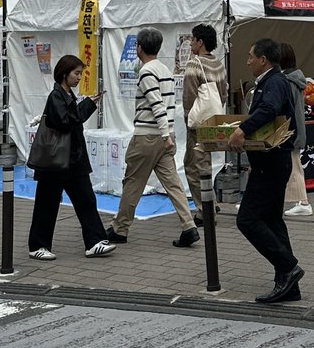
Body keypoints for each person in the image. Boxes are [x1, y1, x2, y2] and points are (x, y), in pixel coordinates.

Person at [105, 28, 199, 247]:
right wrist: (168, 136)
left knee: (133, 183)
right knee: (173, 184)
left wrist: (165, 134)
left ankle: (120, 228)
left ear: (140, 47)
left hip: (148, 136)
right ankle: (189, 226)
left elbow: (157, 105)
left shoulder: (146, 71)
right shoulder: (165, 69)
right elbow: (168, 104)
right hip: (165, 137)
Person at [227, 38, 303, 304]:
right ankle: (288, 283)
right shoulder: (271, 82)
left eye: (250, 56)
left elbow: (269, 110)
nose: (247, 61)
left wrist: (242, 130)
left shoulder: (274, 82)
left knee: (247, 220)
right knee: (272, 220)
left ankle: (289, 266)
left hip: (271, 164)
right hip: (268, 161)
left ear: (264, 60)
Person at [28, 55, 116, 260]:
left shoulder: (66, 95)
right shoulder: (56, 96)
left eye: (80, 73)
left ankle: (95, 242)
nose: (79, 77)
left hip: (71, 160)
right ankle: (37, 246)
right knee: (47, 204)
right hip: (56, 161)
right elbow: (65, 122)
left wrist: (85, 104)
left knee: (86, 199)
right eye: (76, 73)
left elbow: (69, 120)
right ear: (64, 73)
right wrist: (87, 106)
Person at [181, 24, 228, 227]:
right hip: (214, 121)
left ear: (200, 42)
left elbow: (188, 98)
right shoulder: (218, 64)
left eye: (192, 39)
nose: (190, 42)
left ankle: (205, 209)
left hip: (197, 125)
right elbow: (223, 95)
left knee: (195, 167)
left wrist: (188, 120)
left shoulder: (194, 64)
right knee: (201, 163)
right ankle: (210, 204)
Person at [279, 43, 313, 217]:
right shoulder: (295, 79)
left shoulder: (288, 81)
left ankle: (303, 202)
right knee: (293, 166)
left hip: (291, 131)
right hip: (296, 129)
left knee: (294, 167)